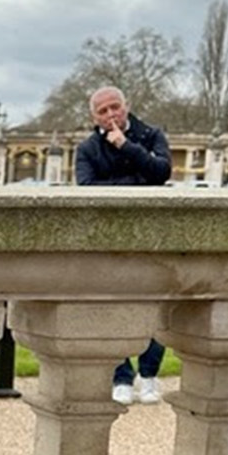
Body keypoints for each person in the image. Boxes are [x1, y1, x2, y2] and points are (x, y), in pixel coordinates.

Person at [75, 86, 172, 403]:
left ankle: (149, 374)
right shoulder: (88, 148)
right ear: (94, 117)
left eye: (114, 107)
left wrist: (127, 147)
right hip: (110, 238)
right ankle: (121, 375)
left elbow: (162, 172)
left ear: (126, 106)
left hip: (152, 234)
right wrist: (138, 182)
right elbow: (88, 189)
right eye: (102, 111)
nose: (110, 115)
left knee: (155, 306)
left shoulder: (151, 135)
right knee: (110, 305)